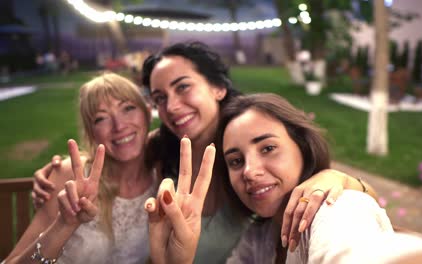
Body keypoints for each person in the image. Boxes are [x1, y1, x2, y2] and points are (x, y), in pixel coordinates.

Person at [30, 42, 379, 262]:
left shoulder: (250, 149)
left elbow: (347, 218)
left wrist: (338, 176)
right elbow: (122, 142)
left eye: (183, 87)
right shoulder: (157, 152)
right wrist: (59, 169)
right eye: (160, 98)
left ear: (217, 87)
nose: (172, 105)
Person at [146, 93, 422, 264]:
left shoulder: (331, 209)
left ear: (301, 145)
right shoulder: (258, 234)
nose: (249, 170)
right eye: (235, 160)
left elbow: (357, 251)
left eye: (268, 147)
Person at [4, 73, 156, 263]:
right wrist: (63, 224)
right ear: (91, 133)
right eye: (101, 118)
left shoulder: (163, 172)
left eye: (128, 108)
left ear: (148, 113)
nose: (119, 126)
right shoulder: (69, 176)